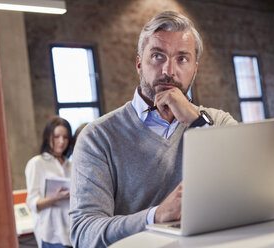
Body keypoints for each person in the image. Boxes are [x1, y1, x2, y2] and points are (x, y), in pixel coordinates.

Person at [69, 11, 238, 247]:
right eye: (158, 56)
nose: (169, 70)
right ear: (139, 63)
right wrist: (156, 216)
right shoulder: (98, 137)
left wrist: (194, 120)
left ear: (195, 69)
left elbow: (248, 182)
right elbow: (84, 234)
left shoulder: (217, 122)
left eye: (182, 59)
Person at [25, 116, 73, 248]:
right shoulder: (37, 163)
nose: (61, 141)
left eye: (65, 137)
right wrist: (56, 197)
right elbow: (32, 203)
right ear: (48, 137)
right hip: (51, 234)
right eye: (57, 136)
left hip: (72, 232)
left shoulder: (71, 166)